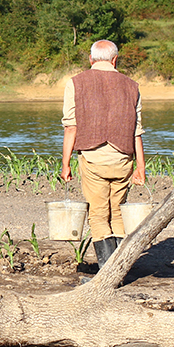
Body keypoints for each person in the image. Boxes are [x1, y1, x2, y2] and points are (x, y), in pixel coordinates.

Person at [60, 39, 145, 269]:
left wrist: (65, 163)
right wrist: (141, 167)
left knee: (98, 215)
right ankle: (119, 270)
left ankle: (107, 274)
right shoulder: (132, 85)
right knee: (118, 214)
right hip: (123, 159)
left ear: (91, 59)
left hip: (92, 157)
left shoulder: (75, 83)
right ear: (115, 60)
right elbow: (137, 131)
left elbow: (70, 127)